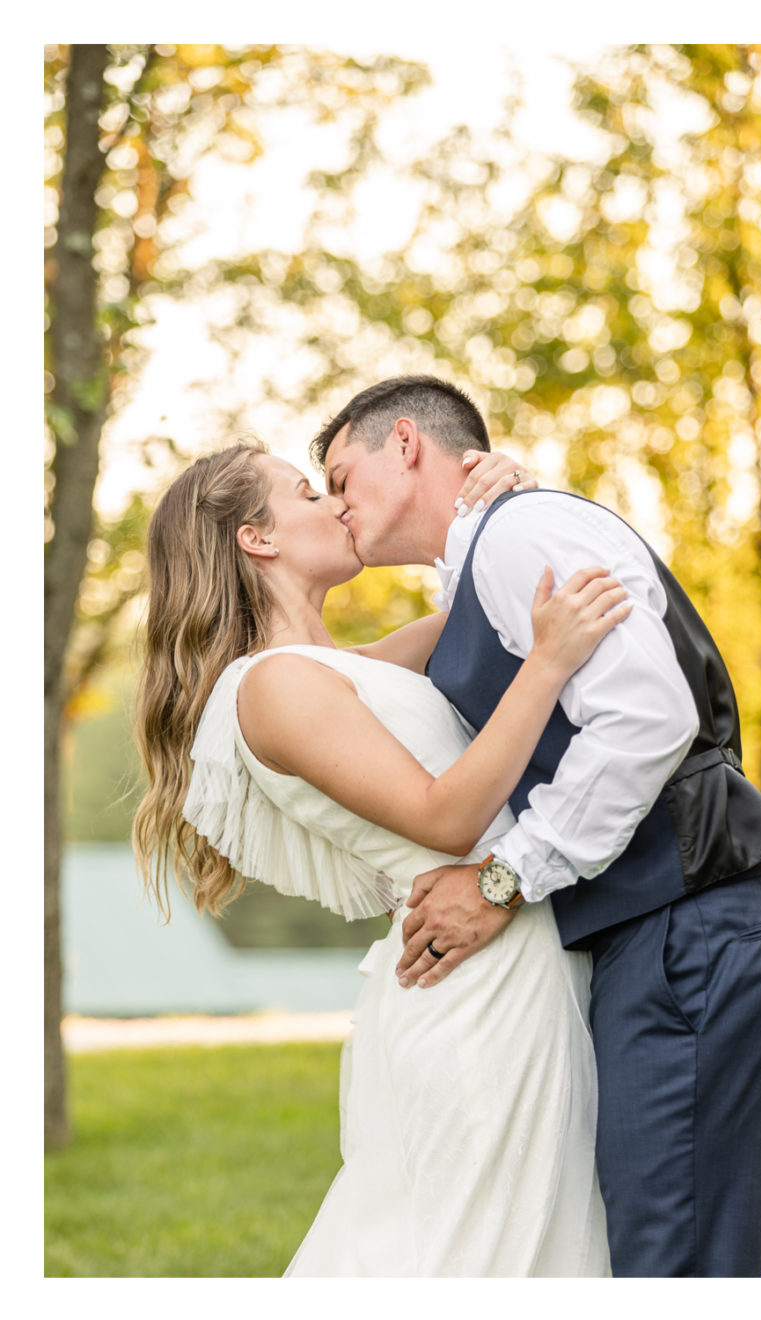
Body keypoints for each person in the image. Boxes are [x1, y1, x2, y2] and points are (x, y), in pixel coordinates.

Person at [312, 375, 761, 1277]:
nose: (337, 507)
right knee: (646, 1254)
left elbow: (646, 718)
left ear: (408, 444)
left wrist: (503, 881)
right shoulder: (484, 563)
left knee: (675, 1267)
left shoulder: (520, 536)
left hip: (688, 921)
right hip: (646, 932)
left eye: (342, 479)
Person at [132, 440, 631, 1275]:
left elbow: (489, 602)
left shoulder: (343, 667)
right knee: (478, 1257)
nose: (336, 503)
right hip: (471, 992)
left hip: (510, 958)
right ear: (258, 539)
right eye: (307, 493)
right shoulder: (274, 688)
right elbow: (447, 814)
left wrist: (493, 506)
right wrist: (549, 663)